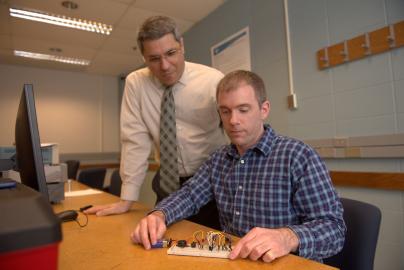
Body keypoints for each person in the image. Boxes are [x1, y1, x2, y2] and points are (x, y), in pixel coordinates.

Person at [131, 70, 346, 263]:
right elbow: (189, 195)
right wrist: (159, 214)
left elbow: (334, 229)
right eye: (225, 111)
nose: (233, 120)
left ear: (264, 109)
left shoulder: (298, 156)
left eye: (243, 110)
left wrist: (286, 237)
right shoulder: (218, 160)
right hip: (236, 260)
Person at [85, 16, 226, 229]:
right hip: (167, 185)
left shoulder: (213, 80)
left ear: (182, 46)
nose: (165, 66)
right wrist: (127, 199)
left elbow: (237, 129)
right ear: (143, 57)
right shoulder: (136, 83)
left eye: (171, 53)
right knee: (160, 248)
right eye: (154, 59)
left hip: (211, 184)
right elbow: (134, 141)